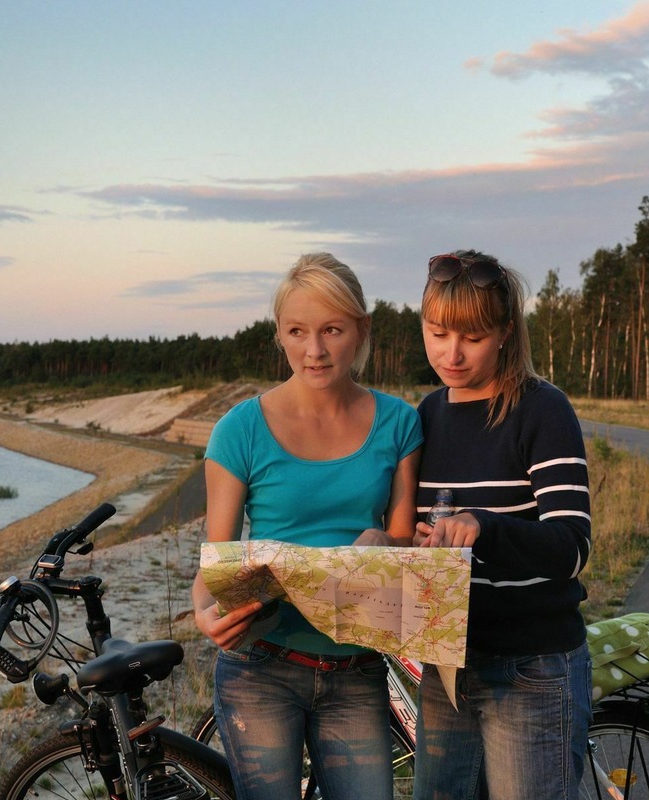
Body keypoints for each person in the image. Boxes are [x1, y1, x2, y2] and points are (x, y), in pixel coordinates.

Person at [190, 253, 422, 800]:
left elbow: (406, 545)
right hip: (260, 668)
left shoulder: (400, 423)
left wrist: (384, 542)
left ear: (361, 329)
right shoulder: (239, 430)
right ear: (280, 334)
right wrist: (204, 614)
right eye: (297, 331)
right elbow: (216, 560)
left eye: (331, 330)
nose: (314, 350)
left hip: (358, 668)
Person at [411, 250, 592, 800]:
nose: (452, 353)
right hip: (446, 669)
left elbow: (572, 547)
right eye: (438, 333)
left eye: (473, 337)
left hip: (530, 667)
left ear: (506, 332)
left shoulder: (542, 410)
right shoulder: (426, 415)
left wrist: (484, 528)